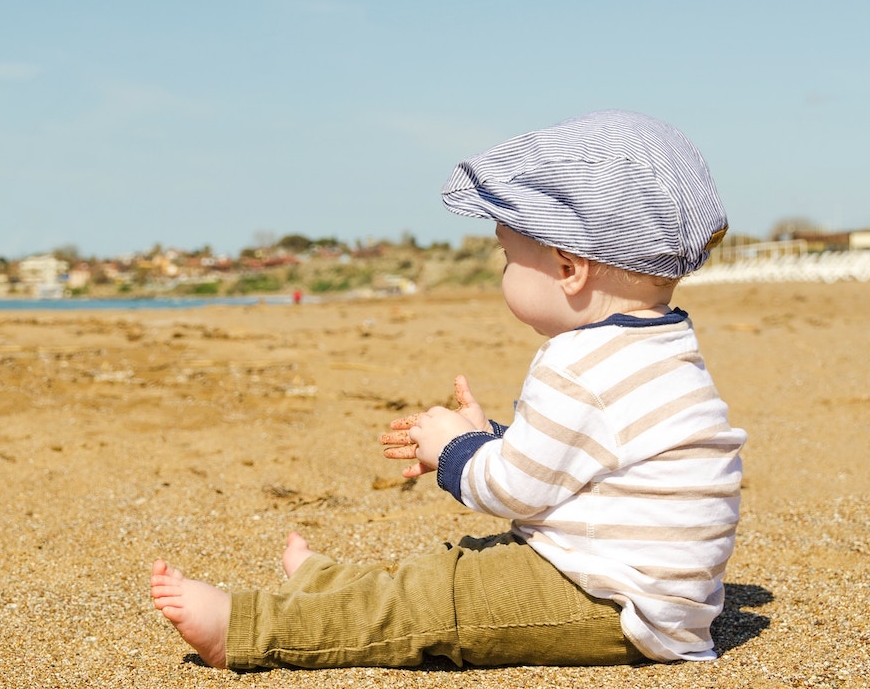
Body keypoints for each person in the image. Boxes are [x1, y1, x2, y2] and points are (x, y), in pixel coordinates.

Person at [150, 109, 747, 670]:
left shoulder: (577, 362)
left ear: (569, 268)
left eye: (510, 257)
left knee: (439, 598)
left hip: (611, 603)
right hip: (651, 595)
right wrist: (491, 437)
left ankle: (248, 629)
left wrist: (455, 453)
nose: (504, 272)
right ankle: (327, 585)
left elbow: (516, 492)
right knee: (457, 565)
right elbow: (581, 462)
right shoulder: (663, 345)